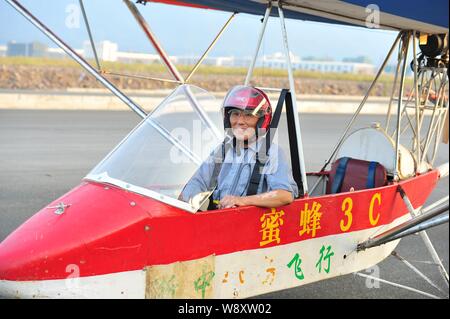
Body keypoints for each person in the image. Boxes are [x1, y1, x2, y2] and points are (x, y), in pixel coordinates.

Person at [180, 85, 299, 210]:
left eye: (248, 115)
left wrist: (242, 201)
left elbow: (285, 195)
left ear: (262, 120)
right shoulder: (223, 149)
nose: (240, 121)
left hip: (250, 223)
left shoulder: (272, 152)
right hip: (219, 218)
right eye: (235, 114)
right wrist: (188, 199)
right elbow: (198, 181)